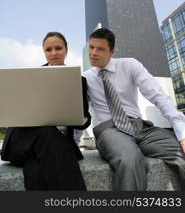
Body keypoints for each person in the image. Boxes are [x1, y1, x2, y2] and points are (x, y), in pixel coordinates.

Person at [83, 28, 185, 191]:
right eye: (91, 47)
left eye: (100, 49)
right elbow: (79, 114)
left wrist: (182, 132)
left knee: (182, 152)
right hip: (109, 131)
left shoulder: (130, 65)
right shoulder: (85, 78)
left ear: (112, 51)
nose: (93, 53)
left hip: (141, 128)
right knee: (130, 160)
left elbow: (158, 95)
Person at [1, 31, 91, 190]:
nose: (54, 53)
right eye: (48, 50)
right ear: (44, 52)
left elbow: (84, 120)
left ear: (66, 50)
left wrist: (77, 116)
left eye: (58, 48)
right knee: (46, 132)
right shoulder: (30, 76)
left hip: (54, 146)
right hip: (24, 140)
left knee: (35, 169)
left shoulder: (79, 80)